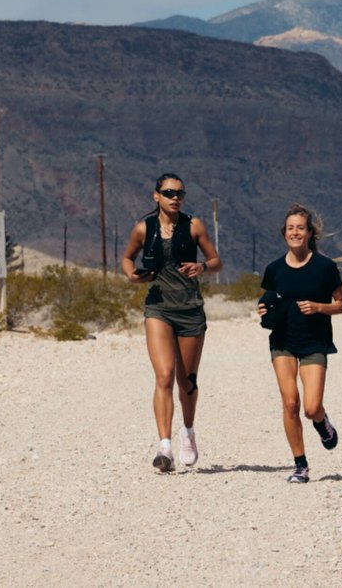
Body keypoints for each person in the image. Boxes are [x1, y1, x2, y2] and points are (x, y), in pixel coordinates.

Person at [121, 173, 221, 472]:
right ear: (156, 196)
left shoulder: (194, 226)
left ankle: (188, 433)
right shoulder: (144, 227)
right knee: (164, 375)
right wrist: (131, 273)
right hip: (158, 308)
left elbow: (217, 261)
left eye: (179, 193)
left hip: (190, 309)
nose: (174, 197)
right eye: (168, 192)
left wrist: (202, 266)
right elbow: (127, 257)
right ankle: (164, 447)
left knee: (186, 382)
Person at [257, 204, 342, 484]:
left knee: (310, 407)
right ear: (284, 233)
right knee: (290, 402)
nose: (295, 232)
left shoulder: (325, 267)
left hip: (314, 342)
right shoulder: (273, 269)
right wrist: (262, 310)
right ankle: (300, 465)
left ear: (309, 233)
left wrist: (320, 307)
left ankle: (322, 422)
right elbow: (268, 301)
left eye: (300, 228)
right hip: (282, 340)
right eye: (290, 228)